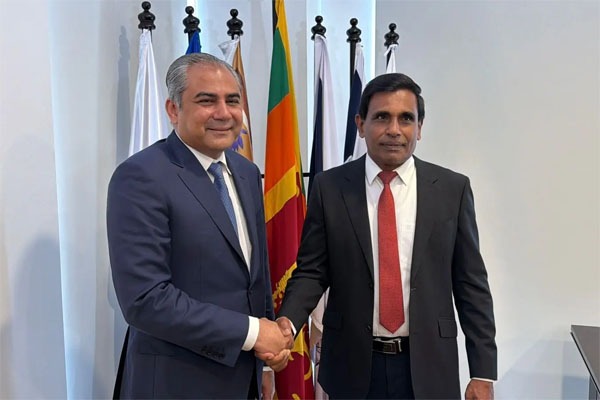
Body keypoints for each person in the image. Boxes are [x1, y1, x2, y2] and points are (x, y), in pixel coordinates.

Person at [277, 73, 497, 399]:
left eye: (406, 118)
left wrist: (482, 372)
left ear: (419, 128)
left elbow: (471, 285)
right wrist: (288, 323)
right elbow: (312, 271)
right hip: (351, 367)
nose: (394, 129)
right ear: (360, 124)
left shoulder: (452, 190)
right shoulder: (329, 187)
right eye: (382, 117)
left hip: (428, 367)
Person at [107, 53, 291, 399]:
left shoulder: (246, 172)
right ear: (173, 109)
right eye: (207, 101)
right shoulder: (141, 177)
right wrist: (253, 333)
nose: (224, 113)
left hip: (244, 378)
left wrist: (265, 361)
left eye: (232, 101)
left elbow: (255, 276)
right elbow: (145, 299)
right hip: (176, 384)